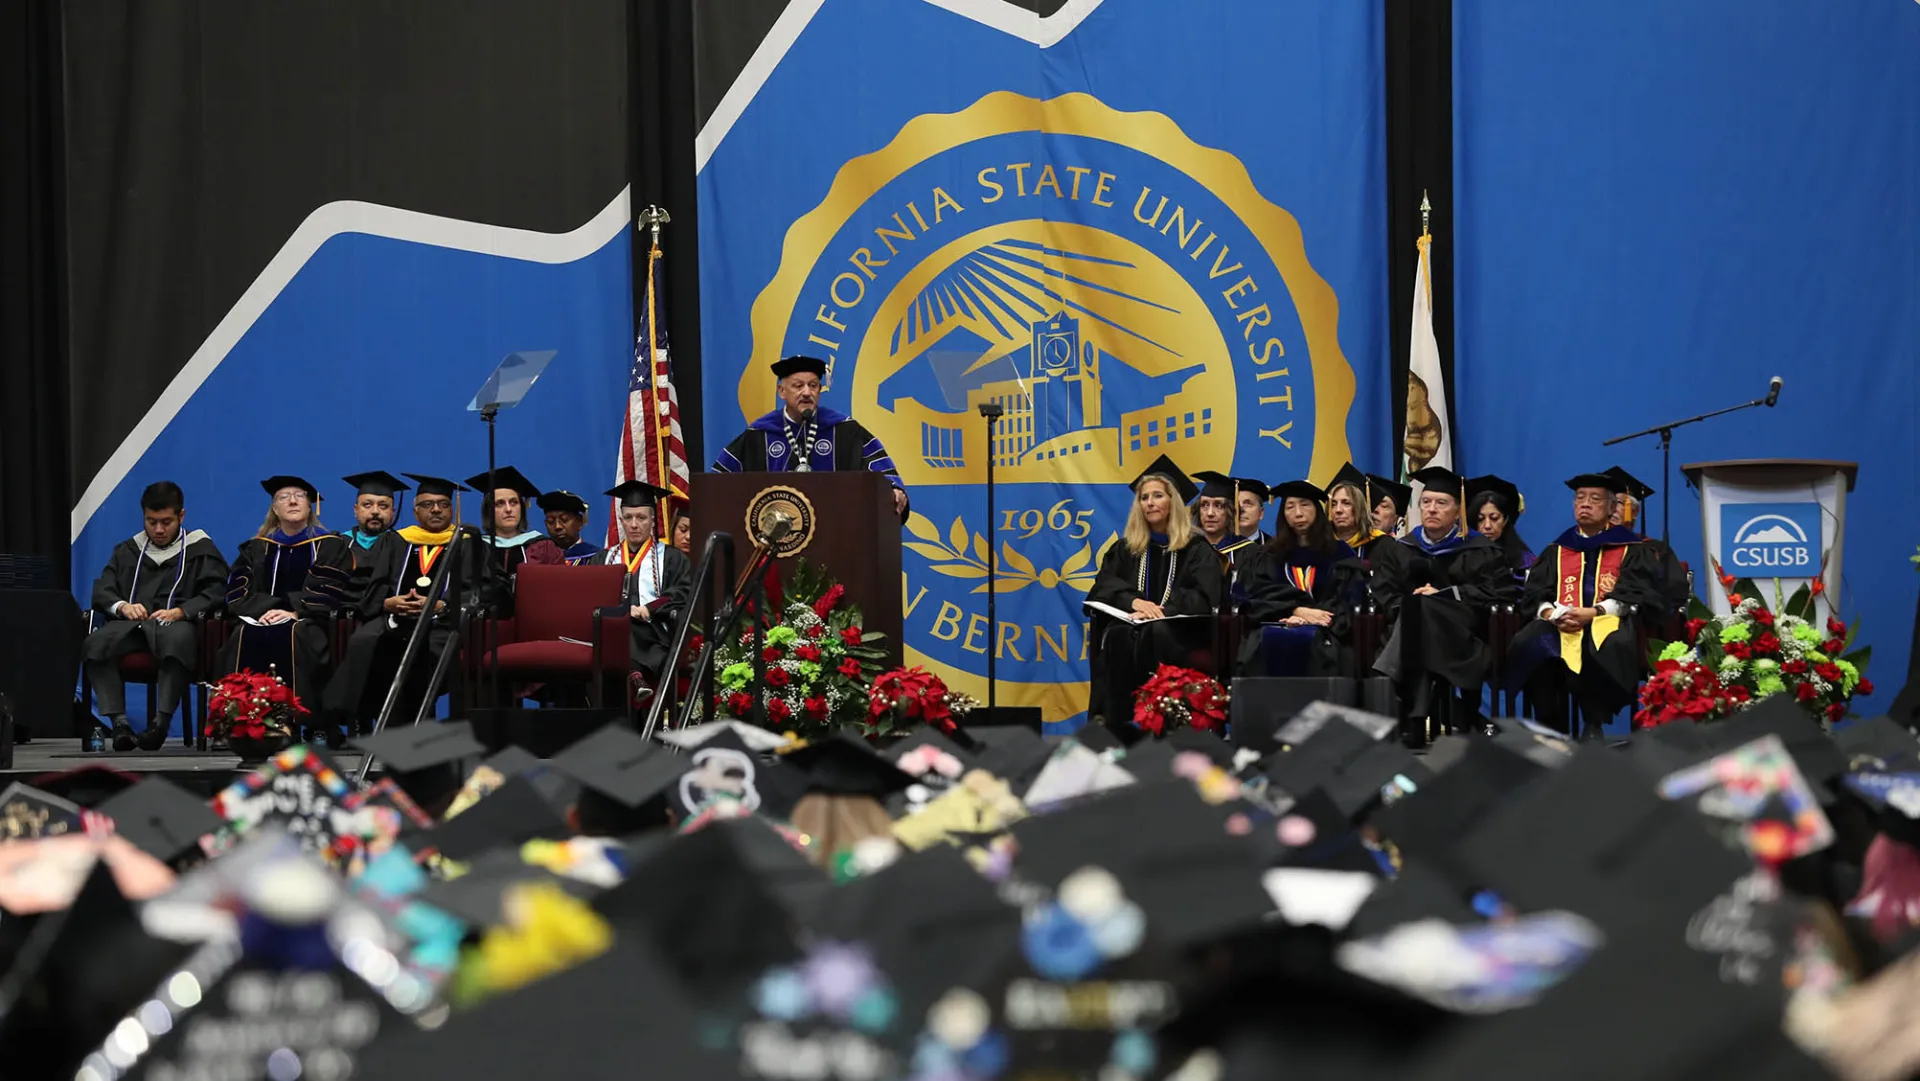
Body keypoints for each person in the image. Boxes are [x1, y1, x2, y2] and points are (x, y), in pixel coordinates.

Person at [1506, 472, 1670, 739]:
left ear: (1611, 508)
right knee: (1530, 641)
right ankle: (1548, 722)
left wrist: (1594, 612)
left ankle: (1593, 722)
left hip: (1606, 618)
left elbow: (1637, 591)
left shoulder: (1631, 549)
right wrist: (1552, 613)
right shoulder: (1557, 550)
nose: (1585, 504)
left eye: (1594, 499)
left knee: (1603, 641)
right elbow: (1535, 592)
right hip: (1559, 621)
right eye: (1579, 498)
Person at [319, 474, 479, 746]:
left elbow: (478, 589)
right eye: (428, 504)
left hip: (442, 622)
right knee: (364, 640)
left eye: (442, 504)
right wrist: (388, 603)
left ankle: (416, 723)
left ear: (453, 510)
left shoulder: (468, 541)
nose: (436, 509)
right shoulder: (396, 541)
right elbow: (377, 585)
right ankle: (351, 718)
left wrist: (443, 605)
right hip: (394, 617)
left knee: (429, 648)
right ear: (415, 511)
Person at [1371, 466, 1518, 745]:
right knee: (1418, 610)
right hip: (1410, 631)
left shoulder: (1481, 549)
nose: (1431, 510)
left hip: (1464, 636)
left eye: (1441, 503)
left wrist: (1446, 595)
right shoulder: (1400, 548)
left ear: (1457, 510)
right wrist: (1412, 606)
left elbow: (1501, 594)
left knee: (1423, 607)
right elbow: (1384, 593)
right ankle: (1423, 716)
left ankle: (1409, 710)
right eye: (1426, 502)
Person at [83, 481, 229, 752]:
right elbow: (103, 588)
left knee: (179, 641)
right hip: (131, 627)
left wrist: (182, 611)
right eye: (151, 522)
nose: (158, 530)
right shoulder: (128, 550)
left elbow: (216, 591)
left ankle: (160, 724)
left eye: (166, 522)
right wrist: (122, 606)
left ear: (181, 516)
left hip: (174, 625)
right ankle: (120, 724)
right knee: (95, 644)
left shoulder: (200, 549)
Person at [1084, 456, 1223, 726]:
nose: (1149, 502)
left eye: (1157, 495)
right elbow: (1103, 585)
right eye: (1144, 497)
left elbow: (1205, 595)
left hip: (1177, 632)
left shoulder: (1196, 549)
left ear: (1174, 502)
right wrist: (1133, 601)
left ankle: (1164, 721)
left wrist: (1163, 611)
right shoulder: (1126, 549)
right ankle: (1116, 726)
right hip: (1132, 627)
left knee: (1156, 632)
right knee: (1117, 635)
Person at [712, 355, 909, 521]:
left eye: (813, 386)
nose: (807, 392)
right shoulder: (759, 435)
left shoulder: (844, 430)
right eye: (798, 386)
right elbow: (720, 481)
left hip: (838, 538)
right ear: (782, 391)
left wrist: (893, 488)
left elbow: (879, 467)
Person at [219, 476, 356, 708]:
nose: (293, 501)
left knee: (292, 634)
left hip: (309, 622)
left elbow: (329, 590)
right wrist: (266, 611)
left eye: (299, 496)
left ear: (310, 505)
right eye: (284, 497)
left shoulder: (330, 545)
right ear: (274, 507)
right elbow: (237, 591)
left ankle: (305, 718)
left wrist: (294, 613)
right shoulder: (257, 547)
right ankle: (238, 718)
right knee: (243, 635)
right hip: (259, 619)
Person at [1237, 481, 1366, 677]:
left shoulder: (1340, 554)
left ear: (1317, 510)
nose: (1298, 513)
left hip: (1326, 633)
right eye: (1290, 506)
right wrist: (1294, 611)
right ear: (1283, 514)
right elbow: (1252, 596)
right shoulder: (1267, 555)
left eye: (1305, 504)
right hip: (1275, 625)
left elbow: (1349, 600)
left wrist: (1313, 619)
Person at [598, 481, 693, 688]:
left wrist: (647, 609)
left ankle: (634, 673)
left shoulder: (671, 558)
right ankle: (635, 674)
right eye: (628, 517)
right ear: (621, 520)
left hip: (653, 631)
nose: (634, 524)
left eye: (641, 518)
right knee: (620, 626)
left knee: (629, 627)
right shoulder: (603, 558)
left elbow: (681, 592)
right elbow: (592, 597)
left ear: (652, 520)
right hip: (610, 631)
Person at [1327, 464, 1412, 621]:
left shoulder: (1386, 547)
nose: (1338, 510)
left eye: (1346, 503)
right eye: (1334, 504)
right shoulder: (1322, 547)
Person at [1606, 464, 1692, 614]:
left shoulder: (1652, 549)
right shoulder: (1584, 549)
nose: (1610, 509)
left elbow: (1675, 592)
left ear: (1633, 511)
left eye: (1618, 503)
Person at [1191, 472, 1258, 587]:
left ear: (1231, 511)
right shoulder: (1188, 550)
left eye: (1218, 505)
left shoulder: (1251, 554)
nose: (1210, 513)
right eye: (1204, 505)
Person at [1466, 474, 1534, 582]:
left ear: (1505, 520)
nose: (1487, 526)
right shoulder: (1460, 555)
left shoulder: (1524, 559)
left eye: (1494, 518)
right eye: (1480, 519)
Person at [338, 471, 407, 552]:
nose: (375, 511)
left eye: (383, 506)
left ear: (393, 512)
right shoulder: (340, 545)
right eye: (367, 504)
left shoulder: (403, 547)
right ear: (356, 510)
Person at [535, 489, 602, 564]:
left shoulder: (596, 557)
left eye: (564, 520)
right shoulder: (539, 558)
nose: (557, 526)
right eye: (551, 521)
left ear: (580, 522)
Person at [1367, 473, 1411, 538]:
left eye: (1384, 506)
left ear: (1395, 520)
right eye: (1373, 502)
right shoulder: (1352, 545)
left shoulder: (1398, 548)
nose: (1375, 509)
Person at [1235, 478, 1272, 545]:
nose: (1240, 509)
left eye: (1248, 504)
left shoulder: (1275, 548)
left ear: (1261, 513)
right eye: (1236, 504)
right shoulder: (1216, 547)